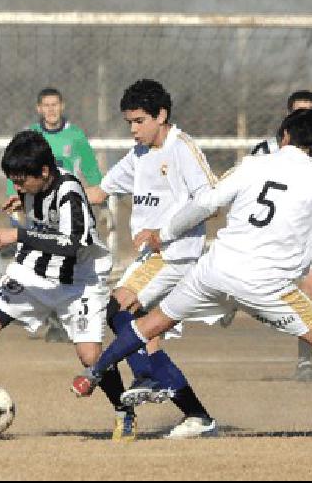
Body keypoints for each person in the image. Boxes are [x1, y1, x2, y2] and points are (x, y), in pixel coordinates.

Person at [71, 109, 312, 442]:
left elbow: (206, 202)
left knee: (149, 325)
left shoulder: (253, 165)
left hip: (215, 271)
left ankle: (92, 374)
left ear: (284, 137)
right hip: (266, 286)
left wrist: (166, 231)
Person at [0, 130, 138, 441]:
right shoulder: (36, 185)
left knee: (90, 356)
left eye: (21, 181)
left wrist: (18, 235)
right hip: (33, 271)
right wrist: (24, 198)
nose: (17, 185)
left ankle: (124, 412)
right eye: (13, 180)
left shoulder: (70, 193)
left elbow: (70, 244)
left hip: (79, 281)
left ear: (45, 172)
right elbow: (39, 206)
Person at [85, 79, 220, 439]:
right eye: (129, 122)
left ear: (162, 116)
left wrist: (165, 233)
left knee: (118, 310)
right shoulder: (139, 154)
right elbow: (99, 192)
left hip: (173, 256)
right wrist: (41, 195)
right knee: (144, 332)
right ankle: (197, 415)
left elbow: (208, 201)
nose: (133, 129)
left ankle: (144, 375)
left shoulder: (184, 149)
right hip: (151, 258)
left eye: (140, 121)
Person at [248, 90, 312, 381]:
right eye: (299, 111)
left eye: (311, 111)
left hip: (307, 229)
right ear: (287, 116)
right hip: (270, 232)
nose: (305, 116)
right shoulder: (264, 150)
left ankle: (304, 362)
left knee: (311, 285)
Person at [8, 88, 104, 343]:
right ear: (39, 108)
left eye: (55, 105)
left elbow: (92, 172)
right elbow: (17, 174)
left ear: (62, 106)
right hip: (36, 207)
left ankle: (62, 318)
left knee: (65, 256)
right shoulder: (30, 136)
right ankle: (40, 313)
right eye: (46, 105)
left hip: (65, 207)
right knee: (36, 258)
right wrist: (16, 200)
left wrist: (97, 197)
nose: (51, 110)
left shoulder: (76, 136)